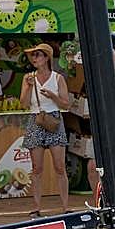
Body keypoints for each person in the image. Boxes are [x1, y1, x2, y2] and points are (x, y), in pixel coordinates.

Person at [18, 43, 71, 217]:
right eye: (33, 55)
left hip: (53, 118)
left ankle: (65, 205)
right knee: (37, 167)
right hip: (35, 118)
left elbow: (66, 104)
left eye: (38, 55)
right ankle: (36, 206)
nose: (34, 58)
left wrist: (52, 96)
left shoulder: (57, 78)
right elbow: (24, 104)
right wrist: (27, 87)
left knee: (60, 166)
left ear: (47, 57)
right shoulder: (28, 77)